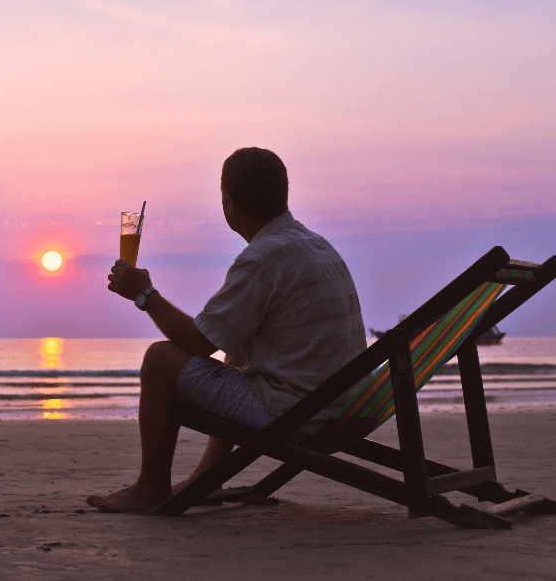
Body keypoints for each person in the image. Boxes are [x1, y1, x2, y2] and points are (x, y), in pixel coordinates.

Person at [86, 147, 366, 513]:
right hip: (347, 407)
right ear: (282, 193)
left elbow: (198, 343)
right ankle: (207, 477)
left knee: (159, 359)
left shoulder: (262, 258)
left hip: (299, 415)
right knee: (238, 350)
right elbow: (224, 339)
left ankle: (150, 488)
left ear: (229, 203)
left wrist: (144, 294)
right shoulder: (314, 244)